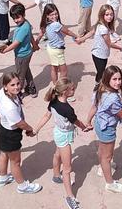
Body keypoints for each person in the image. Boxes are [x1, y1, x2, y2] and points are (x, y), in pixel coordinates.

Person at [34, 79, 92, 209]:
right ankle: (70, 197)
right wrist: (85, 128)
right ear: (65, 92)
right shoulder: (67, 109)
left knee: (57, 154)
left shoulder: (53, 101)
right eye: (72, 89)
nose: (74, 90)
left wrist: (36, 129)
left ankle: (56, 176)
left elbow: (46, 116)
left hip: (58, 133)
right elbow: (76, 122)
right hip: (64, 137)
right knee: (67, 169)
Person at [86, 65, 122, 195]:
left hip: (99, 124)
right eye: (114, 79)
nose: (118, 82)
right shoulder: (112, 99)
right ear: (107, 79)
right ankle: (110, 183)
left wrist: (88, 121)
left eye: (119, 79)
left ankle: (102, 168)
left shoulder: (99, 88)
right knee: (107, 156)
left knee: (102, 149)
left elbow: (94, 107)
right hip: (108, 129)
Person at [0, 72, 43, 194]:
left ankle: (3, 178)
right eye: (12, 85)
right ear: (6, 86)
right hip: (11, 135)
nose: (17, 87)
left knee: (4, 154)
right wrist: (30, 129)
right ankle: (22, 186)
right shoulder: (9, 107)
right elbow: (20, 123)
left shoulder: (2, 92)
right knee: (15, 162)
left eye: (18, 83)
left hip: (2, 129)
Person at [0, 3, 39, 97]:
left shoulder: (23, 28)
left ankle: (18, 93)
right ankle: (31, 88)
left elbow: (16, 43)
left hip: (22, 55)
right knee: (26, 71)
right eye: (14, 18)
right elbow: (30, 36)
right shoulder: (26, 23)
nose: (16, 20)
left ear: (24, 15)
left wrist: (5, 50)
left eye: (18, 17)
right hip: (27, 53)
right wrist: (34, 45)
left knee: (20, 76)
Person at [80, 4, 122, 85]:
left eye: (111, 14)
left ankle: (98, 85)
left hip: (100, 54)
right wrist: (120, 48)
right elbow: (109, 43)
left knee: (100, 72)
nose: (109, 17)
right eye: (107, 14)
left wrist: (81, 39)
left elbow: (91, 32)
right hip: (99, 55)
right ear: (102, 15)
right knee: (102, 73)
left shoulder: (100, 24)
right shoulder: (103, 28)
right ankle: (98, 88)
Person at [38, 3, 82, 84]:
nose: (54, 16)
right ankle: (61, 88)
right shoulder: (56, 24)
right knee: (64, 71)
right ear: (47, 16)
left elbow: (41, 34)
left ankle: (55, 85)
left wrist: (36, 43)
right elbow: (67, 31)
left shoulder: (46, 24)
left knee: (54, 68)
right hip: (57, 51)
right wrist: (76, 36)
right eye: (52, 15)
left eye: (56, 14)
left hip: (51, 48)